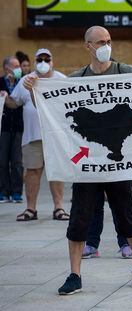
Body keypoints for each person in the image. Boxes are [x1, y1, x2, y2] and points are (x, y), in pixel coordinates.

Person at [22, 26, 132, 295]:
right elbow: (52, 111)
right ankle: (74, 274)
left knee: (126, 217)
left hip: (118, 165)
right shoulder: (77, 78)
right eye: (100, 42)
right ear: (88, 46)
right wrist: (35, 90)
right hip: (87, 167)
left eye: (108, 41)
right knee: (79, 219)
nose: (106, 45)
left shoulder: (125, 73)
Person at [3, 49, 68, 221]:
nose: (44, 62)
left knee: (56, 172)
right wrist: (4, 97)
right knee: (32, 171)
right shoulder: (26, 80)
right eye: (40, 59)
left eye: (47, 59)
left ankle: (59, 207)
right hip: (32, 136)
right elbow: (14, 103)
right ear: (35, 61)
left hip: (55, 136)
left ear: (53, 61)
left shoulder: (61, 80)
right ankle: (31, 209)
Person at [0, 56, 23, 203]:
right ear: (6, 68)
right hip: (4, 127)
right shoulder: (0, 82)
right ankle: (3, 191)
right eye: (14, 66)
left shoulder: (22, 82)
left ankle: (16, 192)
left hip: (19, 126)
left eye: (18, 66)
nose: (18, 69)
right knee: (2, 160)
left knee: (16, 161)